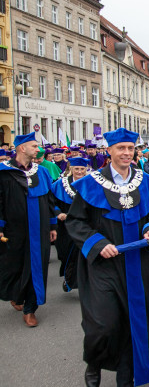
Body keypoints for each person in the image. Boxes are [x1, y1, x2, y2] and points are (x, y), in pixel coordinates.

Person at [66, 128, 149, 387]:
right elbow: (76, 222)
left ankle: (127, 377)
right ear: (108, 151)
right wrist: (98, 244)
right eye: (120, 148)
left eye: (130, 148)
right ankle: (94, 362)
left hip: (136, 263)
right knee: (103, 324)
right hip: (102, 266)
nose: (126, 153)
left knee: (131, 323)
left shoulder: (145, 181)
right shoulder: (91, 183)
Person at [0, 132, 57, 328]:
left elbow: (50, 200)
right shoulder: (3, 172)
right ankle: (16, 295)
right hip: (14, 231)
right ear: (22, 148)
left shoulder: (41, 172)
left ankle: (30, 308)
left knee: (37, 267)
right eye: (34, 146)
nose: (38, 149)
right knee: (13, 265)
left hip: (39, 230)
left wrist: (52, 225)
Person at [52, 157, 90, 292]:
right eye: (76, 169)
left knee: (82, 254)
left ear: (86, 169)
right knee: (65, 253)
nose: (79, 172)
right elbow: (51, 203)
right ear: (71, 169)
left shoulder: (91, 184)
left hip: (85, 225)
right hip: (65, 226)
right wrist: (58, 213)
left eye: (82, 169)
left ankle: (80, 282)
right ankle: (68, 278)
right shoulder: (60, 185)